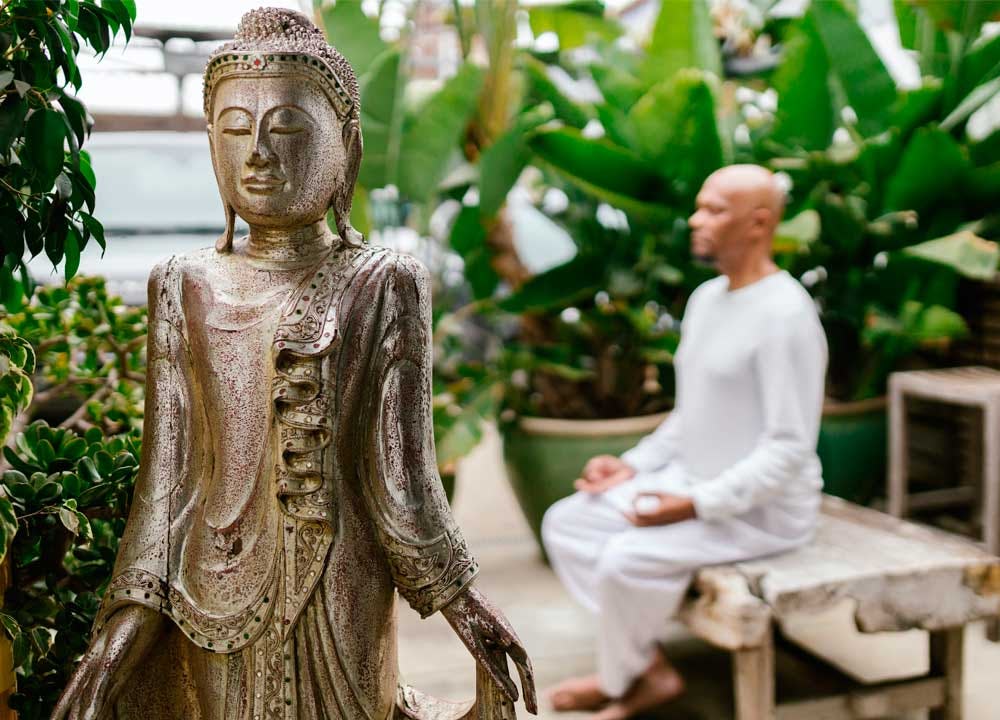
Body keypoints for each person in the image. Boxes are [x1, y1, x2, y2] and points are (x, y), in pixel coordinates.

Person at [52, 9, 534, 720]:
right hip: (210, 588)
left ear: (346, 149)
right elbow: (168, 479)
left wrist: (463, 601)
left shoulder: (384, 281)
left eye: (286, 131)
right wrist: (123, 626)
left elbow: (400, 477)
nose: (257, 154)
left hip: (342, 587)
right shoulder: (183, 283)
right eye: (235, 130)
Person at [541, 164, 828, 720]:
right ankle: (644, 669)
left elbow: (790, 448)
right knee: (569, 523)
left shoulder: (786, 314)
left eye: (715, 209)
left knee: (625, 559)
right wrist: (631, 467)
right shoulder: (706, 300)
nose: (696, 219)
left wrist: (694, 505)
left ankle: (619, 678)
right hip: (691, 485)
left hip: (761, 512)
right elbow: (690, 415)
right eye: (700, 205)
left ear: (759, 223)